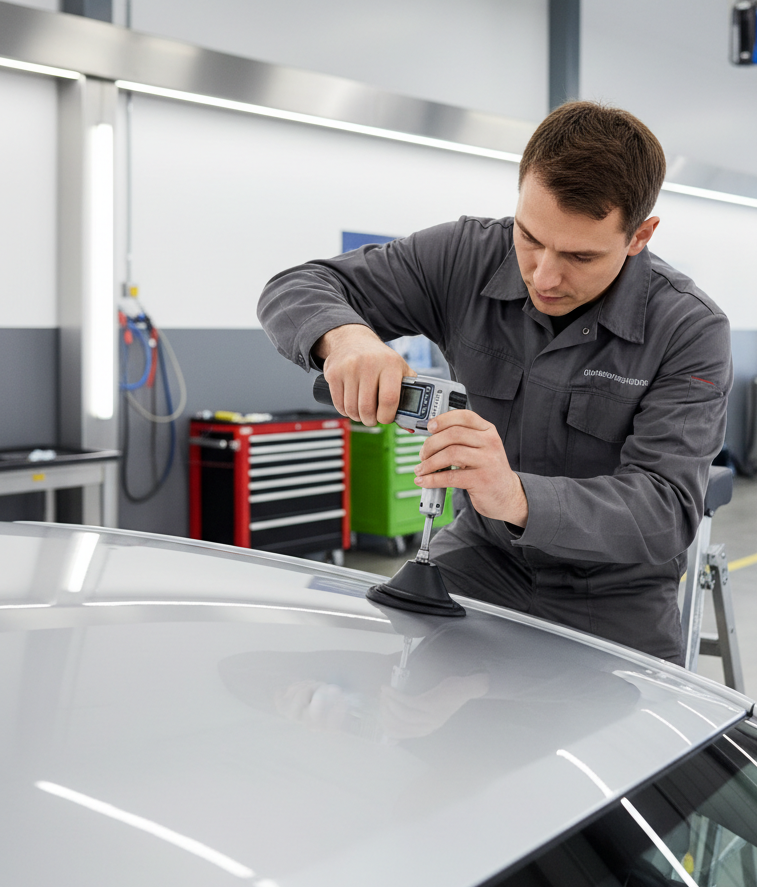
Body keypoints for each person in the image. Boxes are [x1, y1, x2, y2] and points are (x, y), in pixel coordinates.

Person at [258, 101, 732, 662]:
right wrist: (346, 338)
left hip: (613, 594)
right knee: (403, 708)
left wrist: (514, 495)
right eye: (530, 237)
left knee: (631, 743)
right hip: (481, 557)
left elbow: (663, 509)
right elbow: (297, 286)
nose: (545, 276)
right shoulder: (466, 257)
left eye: (580, 255)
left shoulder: (689, 328)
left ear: (639, 235)